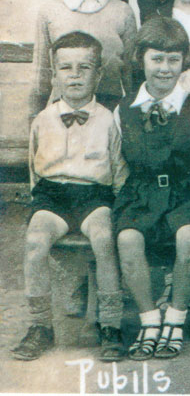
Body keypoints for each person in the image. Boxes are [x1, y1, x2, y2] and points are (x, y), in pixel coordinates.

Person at [13, 32, 126, 362]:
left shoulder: (108, 120)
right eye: (66, 68)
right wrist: (40, 205)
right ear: (53, 73)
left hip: (94, 195)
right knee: (35, 243)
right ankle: (40, 326)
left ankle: (111, 325)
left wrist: (117, 206)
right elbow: (35, 171)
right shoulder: (42, 120)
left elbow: (118, 170)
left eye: (84, 67)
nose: (75, 75)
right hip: (53, 196)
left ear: (99, 73)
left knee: (105, 238)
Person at [113, 17, 190, 360]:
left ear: (184, 62)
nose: (164, 68)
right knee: (127, 238)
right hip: (142, 192)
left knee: (189, 235)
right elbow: (119, 166)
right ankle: (148, 321)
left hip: (186, 191)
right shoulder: (123, 110)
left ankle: (175, 319)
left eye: (173, 60)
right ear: (141, 59)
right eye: (156, 59)